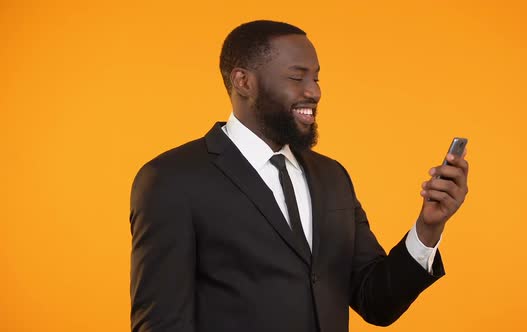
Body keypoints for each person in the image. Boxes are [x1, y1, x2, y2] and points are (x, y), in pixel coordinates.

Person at [129, 20, 469, 332]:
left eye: (317, 77)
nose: (315, 91)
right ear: (243, 81)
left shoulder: (332, 177)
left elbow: (376, 302)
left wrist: (428, 228)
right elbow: (162, 323)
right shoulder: (172, 180)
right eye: (297, 77)